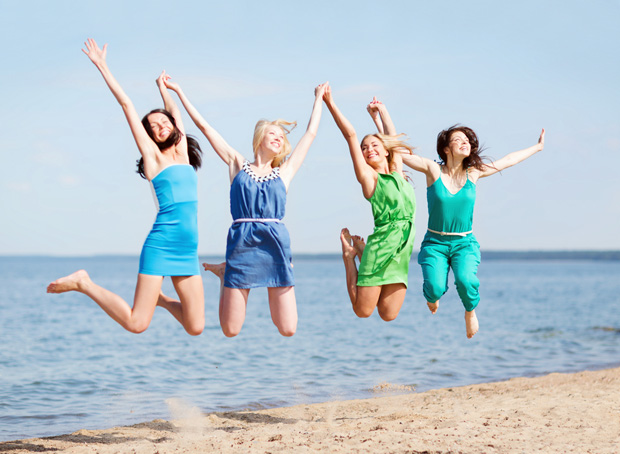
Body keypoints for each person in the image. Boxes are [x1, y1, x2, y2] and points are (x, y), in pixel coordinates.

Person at [47, 39, 205, 335]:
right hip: (161, 243)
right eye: (153, 127)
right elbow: (126, 104)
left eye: (163, 123)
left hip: (188, 248)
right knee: (136, 323)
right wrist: (102, 66)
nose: (159, 127)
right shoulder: (154, 159)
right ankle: (85, 282)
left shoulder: (182, 152)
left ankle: (160, 300)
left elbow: (174, 110)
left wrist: (164, 88)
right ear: (149, 137)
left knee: (195, 326)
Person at [163, 76, 328, 337]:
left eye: (281, 136)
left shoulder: (284, 171)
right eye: (272, 133)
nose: (278, 138)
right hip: (242, 243)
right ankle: (224, 273)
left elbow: (310, 134)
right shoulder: (237, 164)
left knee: (288, 328)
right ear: (260, 137)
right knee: (230, 329)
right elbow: (205, 127)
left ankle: (225, 271)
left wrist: (318, 99)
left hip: (275, 245)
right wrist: (178, 92)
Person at [400, 122, 545, 338]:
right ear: (446, 149)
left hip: (464, 243)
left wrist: (538, 147)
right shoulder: (433, 170)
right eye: (458, 140)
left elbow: (508, 160)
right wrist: (381, 116)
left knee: (466, 280)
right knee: (434, 287)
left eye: (467, 141)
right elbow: (401, 154)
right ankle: (433, 296)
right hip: (435, 244)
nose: (464, 142)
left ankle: (470, 311)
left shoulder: (473, 173)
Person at [323, 87, 416, 321]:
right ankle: (349, 256)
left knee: (388, 314)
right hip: (382, 244)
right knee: (362, 311)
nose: (368, 149)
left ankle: (361, 253)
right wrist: (330, 103)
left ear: (386, 151)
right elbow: (350, 136)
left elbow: (392, 138)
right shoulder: (370, 178)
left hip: (402, 248)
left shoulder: (398, 172)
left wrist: (381, 112)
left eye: (374, 145)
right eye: (365, 148)